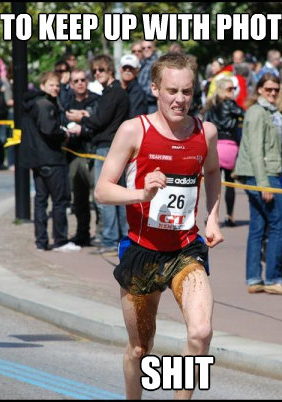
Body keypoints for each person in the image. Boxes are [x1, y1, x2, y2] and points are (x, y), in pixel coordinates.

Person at [94, 52, 224, 399]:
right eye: (172, 91)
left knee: (201, 334)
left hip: (186, 250)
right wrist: (143, 193)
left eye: (187, 91)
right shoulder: (134, 130)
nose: (179, 100)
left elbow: (213, 171)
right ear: (155, 89)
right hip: (142, 252)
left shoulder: (205, 132)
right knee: (140, 350)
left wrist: (211, 217)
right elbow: (103, 190)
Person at [233, 73, 282, 296]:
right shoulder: (258, 112)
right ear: (259, 89)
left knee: (258, 227)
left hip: (260, 174)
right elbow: (256, 150)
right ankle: (273, 278)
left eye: (275, 90)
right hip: (264, 175)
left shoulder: (268, 111)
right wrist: (263, 184)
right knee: (280, 225)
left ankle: (253, 278)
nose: (272, 93)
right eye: (268, 89)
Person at [68, 55, 130, 256]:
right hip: (114, 146)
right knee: (118, 195)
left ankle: (111, 239)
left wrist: (83, 118)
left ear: (110, 70)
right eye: (94, 71)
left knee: (106, 195)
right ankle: (120, 238)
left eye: (100, 70)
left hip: (107, 147)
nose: (97, 74)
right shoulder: (112, 92)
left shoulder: (113, 93)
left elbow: (101, 120)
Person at [20, 71, 82, 252]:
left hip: (38, 160)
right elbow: (48, 129)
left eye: (57, 85)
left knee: (41, 200)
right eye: (51, 85)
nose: (55, 88)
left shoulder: (33, 104)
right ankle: (61, 240)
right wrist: (64, 133)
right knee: (59, 201)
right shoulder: (45, 105)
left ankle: (41, 241)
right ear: (42, 86)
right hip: (51, 159)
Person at [65, 68, 101, 247]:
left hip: (92, 153)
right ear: (71, 84)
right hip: (73, 155)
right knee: (78, 199)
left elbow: (100, 124)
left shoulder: (96, 100)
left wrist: (83, 126)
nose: (80, 83)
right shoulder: (66, 101)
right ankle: (82, 234)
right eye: (76, 81)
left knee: (99, 197)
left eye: (82, 80)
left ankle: (102, 234)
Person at [202, 77, 245, 227]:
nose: (233, 91)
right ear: (221, 90)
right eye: (229, 89)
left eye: (234, 88)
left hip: (214, 146)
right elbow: (244, 114)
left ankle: (210, 215)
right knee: (229, 183)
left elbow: (205, 126)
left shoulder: (210, 107)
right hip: (230, 146)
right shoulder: (230, 105)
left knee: (212, 184)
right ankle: (230, 216)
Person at [119, 54, 147, 118]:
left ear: (137, 70)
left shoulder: (138, 92)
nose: (127, 70)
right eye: (125, 67)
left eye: (131, 68)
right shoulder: (116, 89)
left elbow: (134, 118)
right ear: (120, 69)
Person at [137, 40, 159, 114]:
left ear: (154, 48)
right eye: (143, 48)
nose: (146, 49)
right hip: (142, 103)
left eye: (149, 47)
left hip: (152, 104)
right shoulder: (143, 63)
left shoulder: (156, 64)